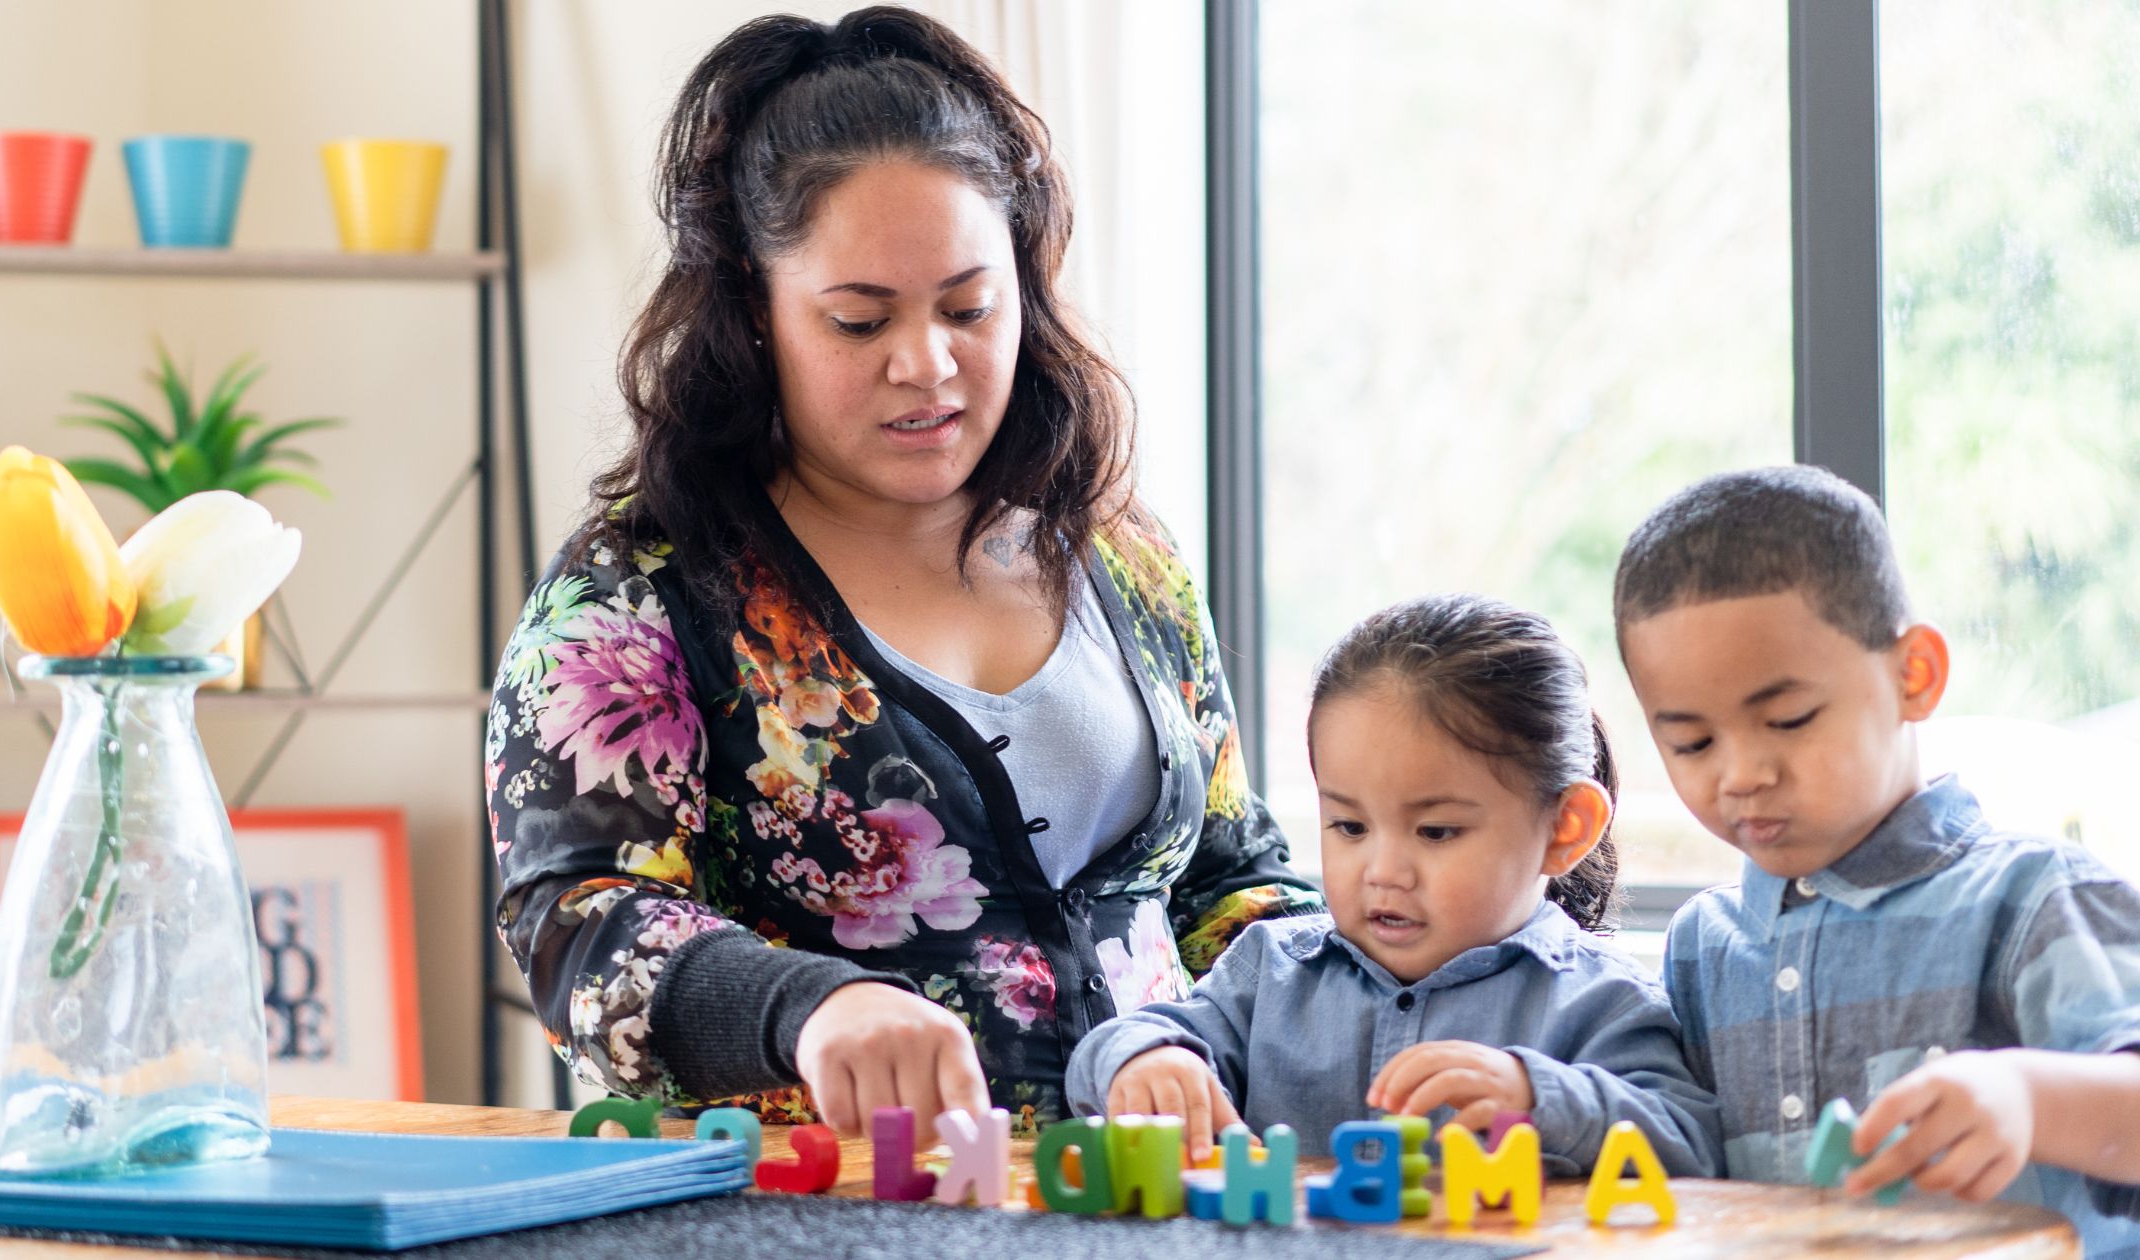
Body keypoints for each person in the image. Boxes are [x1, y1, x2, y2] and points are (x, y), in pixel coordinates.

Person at [483, 7, 1319, 1144]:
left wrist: (1418, 984)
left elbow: (1229, 881)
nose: (926, 364)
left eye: (969, 308)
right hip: (830, 1205)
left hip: (1165, 1200)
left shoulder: (1120, 550)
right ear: (752, 306)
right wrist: (808, 1007)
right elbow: (575, 924)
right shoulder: (639, 589)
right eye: (857, 319)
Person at [1615, 465, 2140, 1254]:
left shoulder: (2032, 896)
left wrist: (2026, 1096)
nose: (1741, 774)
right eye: (1691, 742)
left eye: (1788, 720)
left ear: (1913, 675)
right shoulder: (1703, 945)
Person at [1065, 594, 1720, 1170]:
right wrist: (1147, 1059)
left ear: (1565, 828)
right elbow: (1105, 1050)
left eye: (1435, 832)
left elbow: (1692, 1140)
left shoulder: (1604, 1002)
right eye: (1349, 827)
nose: (1381, 872)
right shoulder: (1270, 972)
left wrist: (1536, 1095)